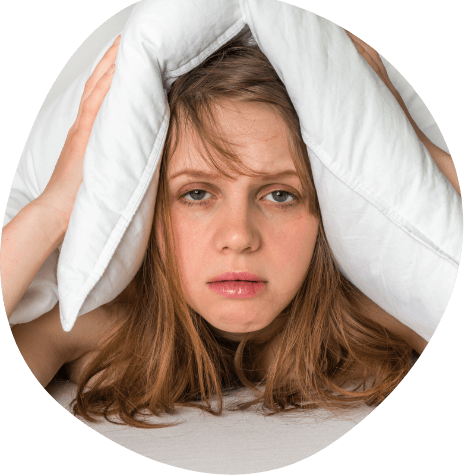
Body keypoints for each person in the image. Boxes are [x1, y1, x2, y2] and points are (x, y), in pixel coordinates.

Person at [2, 29, 460, 428]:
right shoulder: (97, 320)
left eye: (280, 195)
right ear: (145, 211)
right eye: (197, 194)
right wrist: (56, 207)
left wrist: (417, 159)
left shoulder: (374, 314)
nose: (239, 236)